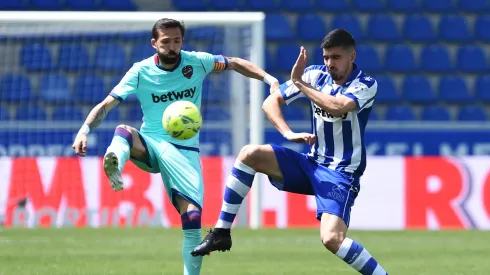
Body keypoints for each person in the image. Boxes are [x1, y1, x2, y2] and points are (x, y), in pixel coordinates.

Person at [71, 18, 279, 275]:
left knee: (192, 220)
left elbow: (234, 62)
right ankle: (116, 159)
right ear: (154, 43)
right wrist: (84, 130)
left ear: (182, 41)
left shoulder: (198, 62)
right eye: (166, 42)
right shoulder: (140, 71)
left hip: (184, 153)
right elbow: (107, 103)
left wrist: (269, 79)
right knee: (124, 130)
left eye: (176, 41)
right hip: (150, 145)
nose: (172, 47)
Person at [191, 29, 389, 275]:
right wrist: (287, 133)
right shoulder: (314, 74)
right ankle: (221, 232)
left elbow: (338, 107)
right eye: (326, 57)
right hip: (311, 163)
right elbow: (269, 102)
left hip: (341, 173)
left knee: (332, 239)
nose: (329, 64)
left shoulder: (366, 84)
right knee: (249, 154)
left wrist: (300, 85)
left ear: (352, 56)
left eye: (336, 58)